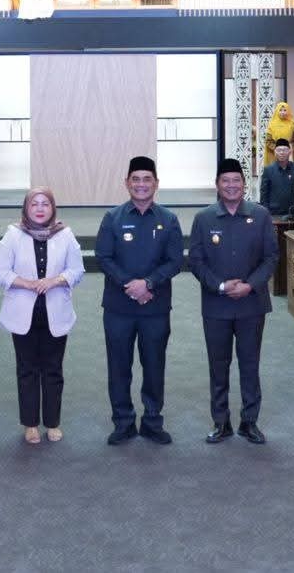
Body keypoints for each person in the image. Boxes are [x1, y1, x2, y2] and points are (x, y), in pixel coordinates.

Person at [96, 156, 183, 446]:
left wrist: (148, 283)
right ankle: (123, 422)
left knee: (154, 366)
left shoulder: (168, 219)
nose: (141, 184)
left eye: (147, 179)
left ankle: (152, 422)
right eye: (136, 179)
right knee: (118, 367)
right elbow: (104, 257)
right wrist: (130, 285)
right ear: (127, 183)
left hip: (155, 307)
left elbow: (175, 261)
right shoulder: (112, 218)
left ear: (156, 184)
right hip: (118, 308)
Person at [189, 158, 276, 445]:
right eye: (225, 181)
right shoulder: (204, 218)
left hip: (252, 305)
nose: (231, 185)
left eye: (236, 180)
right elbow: (196, 261)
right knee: (218, 365)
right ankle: (221, 422)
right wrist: (221, 286)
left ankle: (249, 422)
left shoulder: (260, 215)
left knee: (250, 364)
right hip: (217, 306)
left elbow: (270, 257)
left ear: (244, 184)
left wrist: (250, 285)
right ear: (217, 185)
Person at [0, 187, 85, 445]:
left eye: (45, 203)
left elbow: (77, 270)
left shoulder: (65, 235)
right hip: (23, 313)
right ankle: (30, 424)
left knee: (53, 369)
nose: (40, 208)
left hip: (55, 312)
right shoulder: (13, 235)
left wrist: (56, 280)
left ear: (53, 208)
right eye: (35, 204)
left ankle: (53, 423)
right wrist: (26, 283)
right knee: (27, 369)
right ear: (26, 208)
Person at [258, 139, 294, 218]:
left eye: (285, 150)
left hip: (293, 213)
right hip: (274, 213)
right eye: (279, 150)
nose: (282, 153)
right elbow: (264, 194)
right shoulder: (268, 170)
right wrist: (266, 213)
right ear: (275, 152)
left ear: (289, 151)